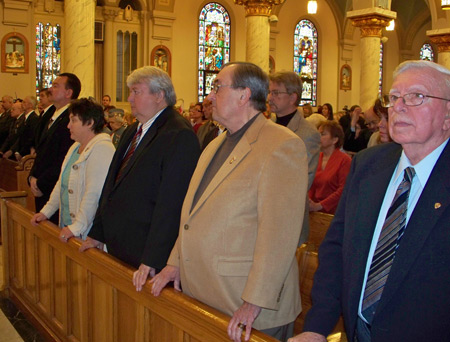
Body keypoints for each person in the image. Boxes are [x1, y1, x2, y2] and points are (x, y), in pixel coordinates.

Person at [289, 60, 450, 342]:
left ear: (448, 113)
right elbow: (338, 249)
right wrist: (316, 327)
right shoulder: (368, 165)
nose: (398, 106)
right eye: (395, 97)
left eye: (416, 96)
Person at [151, 62, 308, 342]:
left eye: (217, 87)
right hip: (207, 292)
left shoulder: (282, 144)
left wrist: (254, 301)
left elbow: (279, 234)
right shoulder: (215, 143)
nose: (210, 96)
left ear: (244, 95)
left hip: (247, 305)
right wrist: (175, 262)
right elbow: (192, 214)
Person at [79, 66, 200, 289]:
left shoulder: (178, 134)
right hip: (120, 245)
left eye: (136, 92)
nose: (129, 98)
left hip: (145, 253)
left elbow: (172, 204)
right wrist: (98, 232)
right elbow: (111, 186)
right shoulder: (133, 129)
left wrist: (154, 257)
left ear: (159, 95)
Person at [30, 98, 115, 242]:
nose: (68, 126)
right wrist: (46, 212)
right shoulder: (75, 147)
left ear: (90, 123)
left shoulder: (102, 148)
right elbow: (62, 183)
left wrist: (77, 227)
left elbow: (93, 193)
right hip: (67, 224)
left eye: (73, 120)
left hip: (86, 230)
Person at [268, 71, 321, 245]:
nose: (270, 98)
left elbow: (303, 180)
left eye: (276, 93)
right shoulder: (266, 128)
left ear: (292, 97)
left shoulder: (307, 133)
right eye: (270, 92)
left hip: (287, 215)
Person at [29, 73, 80, 223]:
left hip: (54, 189)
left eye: (56, 86)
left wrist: (41, 183)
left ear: (68, 93)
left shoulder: (72, 118)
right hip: (41, 186)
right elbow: (40, 150)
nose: (50, 89)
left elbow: (64, 157)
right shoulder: (49, 114)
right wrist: (32, 177)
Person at [308, 121, 351, 214]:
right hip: (314, 210)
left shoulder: (344, 160)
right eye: (318, 133)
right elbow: (311, 185)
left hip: (334, 211)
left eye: (323, 134)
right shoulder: (317, 157)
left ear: (335, 140)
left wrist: (320, 205)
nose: (319, 137)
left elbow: (343, 189)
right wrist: (309, 202)